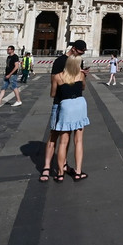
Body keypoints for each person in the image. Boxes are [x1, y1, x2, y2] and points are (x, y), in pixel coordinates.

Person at [41, 54, 89, 183]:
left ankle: (60, 173)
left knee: (62, 141)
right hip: (80, 105)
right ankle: (78, 172)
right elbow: (83, 87)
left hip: (65, 106)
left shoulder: (58, 76)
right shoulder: (81, 75)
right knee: (78, 140)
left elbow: (53, 94)